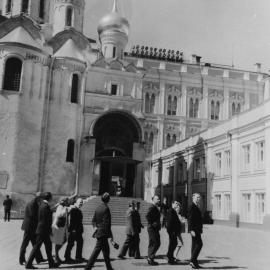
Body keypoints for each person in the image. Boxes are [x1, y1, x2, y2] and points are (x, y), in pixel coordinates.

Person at [25, 192, 58, 269]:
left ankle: (51, 263)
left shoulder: (42, 205)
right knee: (36, 247)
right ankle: (28, 264)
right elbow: (46, 220)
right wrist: (50, 230)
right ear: (49, 198)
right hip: (44, 230)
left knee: (48, 247)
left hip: (42, 229)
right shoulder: (45, 206)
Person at [85, 192, 114, 270]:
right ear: (108, 200)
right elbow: (107, 223)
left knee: (106, 252)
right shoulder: (106, 208)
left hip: (99, 232)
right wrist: (111, 236)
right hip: (103, 234)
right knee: (96, 252)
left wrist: (95, 228)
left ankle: (109, 268)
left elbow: (93, 220)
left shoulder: (98, 208)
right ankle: (87, 268)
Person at [19, 192, 45, 265]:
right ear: (38, 197)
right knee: (25, 244)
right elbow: (32, 215)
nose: (42, 199)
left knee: (35, 243)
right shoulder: (32, 204)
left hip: (32, 227)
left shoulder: (35, 203)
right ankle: (21, 259)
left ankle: (39, 258)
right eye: (41, 198)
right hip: (29, 227)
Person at [64, 198, 86, 263]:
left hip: (78, 230)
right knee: (71, 244)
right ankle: (68, 257)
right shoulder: (74, 210)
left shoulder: (78, 210)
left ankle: (77, 257)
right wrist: (73, 230)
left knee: (79, 242)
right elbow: (72, 221)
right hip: (74, 230)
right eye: (80, 202)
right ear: (76, 203)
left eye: (82, 202)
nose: (81, 204)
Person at [51, 197, 70, 265]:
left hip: (61, 225)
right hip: (58, 226)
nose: (68, 202)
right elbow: (59, 215)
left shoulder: (63, 206)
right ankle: (56, 257)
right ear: (63, 201)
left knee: (61, 241)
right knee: (60, 241)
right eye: (67, 201)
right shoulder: (60, 207)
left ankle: (56, 256)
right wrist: (65, 210)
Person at [188, 193, 203, 269]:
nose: (198, 199)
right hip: (194, 230)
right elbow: (190, 219)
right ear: (193, 198)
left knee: (194, 246)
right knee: (199, 244)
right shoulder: (192, 207)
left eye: (199, 197)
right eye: (197, 197)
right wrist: (191, 230)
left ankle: (194, 262)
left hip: (197, 229)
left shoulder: (196, 206)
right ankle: (192, 260)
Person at [145, 195, 161, 265]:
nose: (159, 200)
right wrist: (152, 223)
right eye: (157, 199)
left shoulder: (155, 207)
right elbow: (147, 215)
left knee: (156, 243)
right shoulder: (152, 207)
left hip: (155, 228)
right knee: (154, 242)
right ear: (153, 200)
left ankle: (150, 257)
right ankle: (150, 258)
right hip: (152, 228)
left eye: (159, 199)